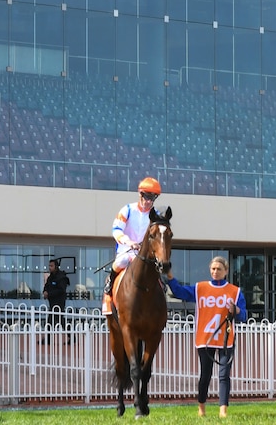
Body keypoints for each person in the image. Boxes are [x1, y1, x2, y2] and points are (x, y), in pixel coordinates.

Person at [167, 256, 248, 418]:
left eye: (219, 269)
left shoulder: (235, 291)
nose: (215, 272)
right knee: (205, 375)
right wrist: (170, 277)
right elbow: (179, 292)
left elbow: (244, 315)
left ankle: (223, 410)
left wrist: (236, 310)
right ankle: (201, 407)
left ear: (226, 271)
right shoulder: (200, 288)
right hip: (205, 339)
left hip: (226, 339)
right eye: (213, 269)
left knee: (224, 375)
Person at [103, 177, 161, 314]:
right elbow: (116, 230)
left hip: (145, 253)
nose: (149, 201)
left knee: (157, 270)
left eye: (152, 198)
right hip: (126, 250)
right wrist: (128, 242)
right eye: (147, 197)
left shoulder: (156, 215)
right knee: (121, 261)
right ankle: (109, 287)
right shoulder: (127, 209)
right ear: (140, 195)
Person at [42, 259, 70, 343]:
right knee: (54, 320)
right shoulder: (50, 277)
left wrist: (49, 294)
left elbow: (61, 290)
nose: (50, 268)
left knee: (58, 320)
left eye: (51, 266)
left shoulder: (61, 277)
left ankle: (71, 336)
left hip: (59, 302)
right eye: (49, 266)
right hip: (52, 303)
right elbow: (46, 286)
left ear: (56, 267)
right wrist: (45, 292)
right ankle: (48, 338)